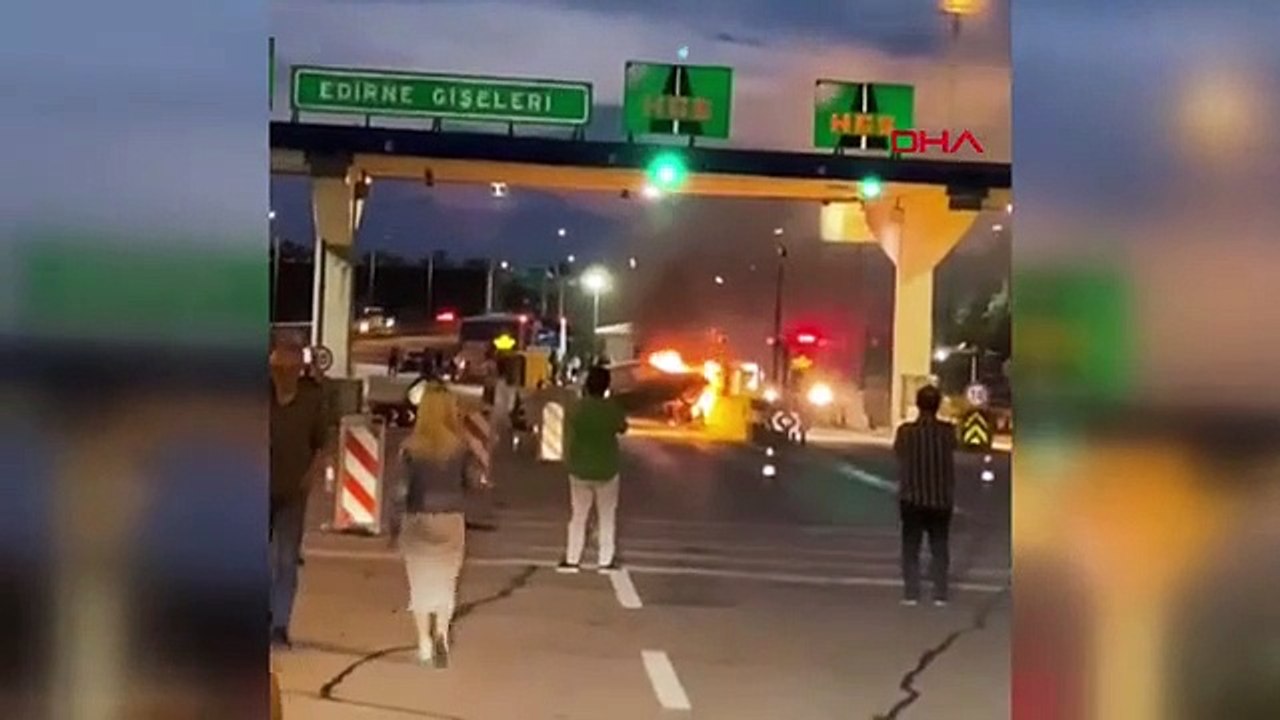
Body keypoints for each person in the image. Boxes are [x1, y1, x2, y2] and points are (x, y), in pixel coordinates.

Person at [390, 383, 469, 666]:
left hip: (418, 518)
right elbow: (471, 482)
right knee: (447, 582)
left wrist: (393, 524)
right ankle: (442, 634)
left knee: (420, 583)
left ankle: (424, 643)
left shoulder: (410, 448)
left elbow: (400, 490)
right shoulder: (460, 447)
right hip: (451, 518)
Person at [269, 334, 330, 648]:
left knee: (286, 559)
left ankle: (279, 625)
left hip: (293, 489)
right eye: (281, 359)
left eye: (293, 360)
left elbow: (321, 442)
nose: (286, 367)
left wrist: (312, 474)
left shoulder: (312, 398)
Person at [892, 385, 958, 606]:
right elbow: (954, 449)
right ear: (938, 405)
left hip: (912, 498)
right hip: (940, 499)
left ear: (918, 404)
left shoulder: (905, 432)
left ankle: (912, 593)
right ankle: (940, 593)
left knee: (911, 547)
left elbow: (898, 453)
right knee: (940, 546)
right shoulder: (948, 431)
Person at [559, 365, 627, 573]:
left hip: (580, 468)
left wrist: (567, 459)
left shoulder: (577, 408)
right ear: (606, 386)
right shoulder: (611, 408)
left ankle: (572, 559)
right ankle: (605, 561)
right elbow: (622, 427)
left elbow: (568, 434)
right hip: (607, 468)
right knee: (607, 516)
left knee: (578, 515)